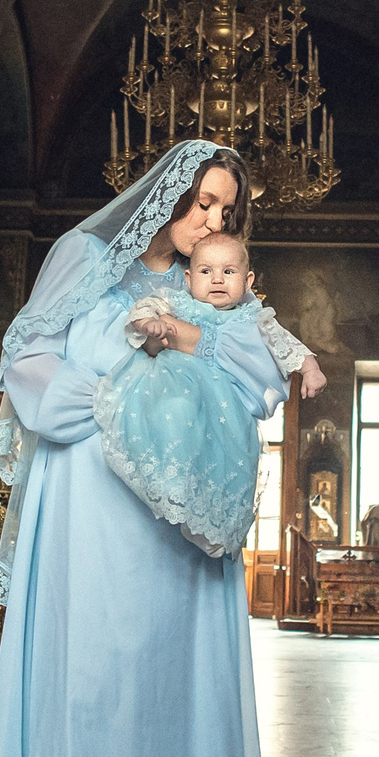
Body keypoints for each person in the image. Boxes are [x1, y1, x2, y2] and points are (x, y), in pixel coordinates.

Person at [0, 141, 316, 757]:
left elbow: (256, 383)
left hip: (171, 524)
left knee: (165, 689)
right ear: (171, 188)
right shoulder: (85, 258)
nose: (211, 220)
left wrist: (188, 344)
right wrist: (110, 400)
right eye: (203, 201)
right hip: (89, 503)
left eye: (224, 210)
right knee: (93, 680)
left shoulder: (211, 286)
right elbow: (26, 362)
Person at [96, 234, 311, 558]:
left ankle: (217, 524)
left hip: (226, 403)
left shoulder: (253, 316)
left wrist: (310, 369)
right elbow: (146, 307)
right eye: (206, 271)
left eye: (228, 272)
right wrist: (148, 324)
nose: (217, 280)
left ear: (248, 280)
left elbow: (284, 343)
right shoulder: (178, 302)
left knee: (238, 449)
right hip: (177, 383)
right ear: (189, 278)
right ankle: (175, 495)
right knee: (177, 416)